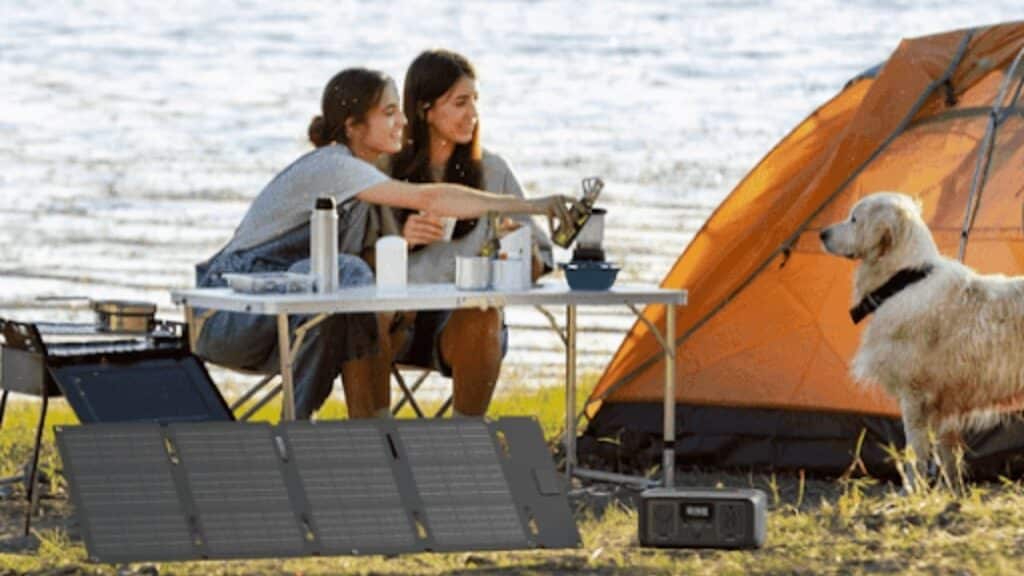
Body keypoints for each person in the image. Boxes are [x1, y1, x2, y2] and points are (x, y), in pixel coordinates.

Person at [192, 67, 570, 420]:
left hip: (289, 317)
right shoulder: (334, 165)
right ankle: (308, 430)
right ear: (353, 126)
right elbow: (430, 198)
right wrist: (534, 205)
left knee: (345, 288)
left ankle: (333, 433)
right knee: (348, 273)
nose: (402, 121)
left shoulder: (366, 186)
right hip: (228, 309)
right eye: (389, 113)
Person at [386, 49, 555, 417]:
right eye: (460, 103)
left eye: (475, 101)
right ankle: (371, 438)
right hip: (396, 321)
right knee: (361, 320)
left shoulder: (492, 171)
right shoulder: (384, 171)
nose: (473, 114)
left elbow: (539, 265)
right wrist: (400, 241)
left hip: (463, 327)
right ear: (425, 109)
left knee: (484, 312)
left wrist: (519, 249)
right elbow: (350, 260)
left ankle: (466, 437)